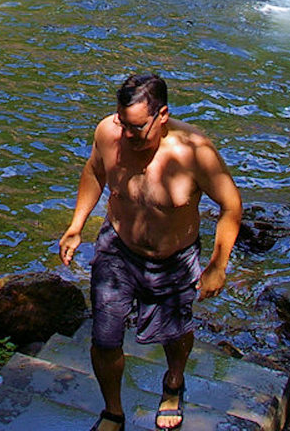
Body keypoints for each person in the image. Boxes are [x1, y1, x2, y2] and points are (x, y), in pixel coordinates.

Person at [58, 72, 243, 431]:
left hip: (173, 259)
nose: (127, 134)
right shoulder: (109, 133)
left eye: (138, 127)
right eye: (121, 122)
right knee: (105, 337)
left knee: (174, 333)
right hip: (118, 249)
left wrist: (219, 265)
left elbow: (231, 206)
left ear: (162, 116)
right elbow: (95, 171)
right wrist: (76, 225)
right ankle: (113, 411)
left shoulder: (195, 152)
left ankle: (174, 382)